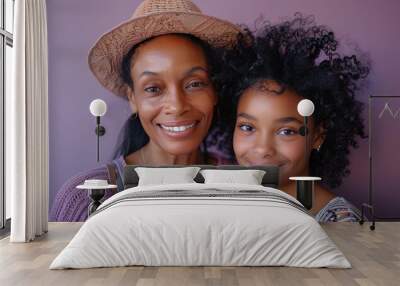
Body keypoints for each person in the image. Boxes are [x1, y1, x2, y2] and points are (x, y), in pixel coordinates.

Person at [50, 0, 241, 221]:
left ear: (214, 90)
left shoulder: (243, 185)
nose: (177, 106)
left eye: (194, 84)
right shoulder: (84, 198)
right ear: (133, 98)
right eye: (153, 88)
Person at [214, 15, 369, 222]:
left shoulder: (341, 223)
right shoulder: (222, 206)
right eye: (247, 127)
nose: (262, 149)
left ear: (317, 136)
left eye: (286, 131)